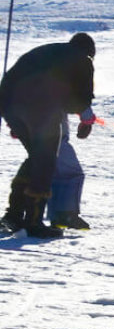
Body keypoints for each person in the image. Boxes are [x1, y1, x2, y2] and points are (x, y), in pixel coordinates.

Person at [0, 33, 96, 239]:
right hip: (41, 109)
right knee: (45, 162)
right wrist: (87, 120)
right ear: (90, 52)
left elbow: (12, 80)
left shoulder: (48, 51)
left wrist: (15, 118)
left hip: (10, 105)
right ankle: (33, 222)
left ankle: (13, 215)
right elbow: (78, 100)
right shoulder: (83, 60)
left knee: (37, 157)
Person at [47, 106, 97, 230]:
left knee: (55, 173)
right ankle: (66, 214)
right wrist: (87, 119)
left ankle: (57, 216)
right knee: (72, 173)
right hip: (54, 132)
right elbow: (76, 97)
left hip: (32, 131)